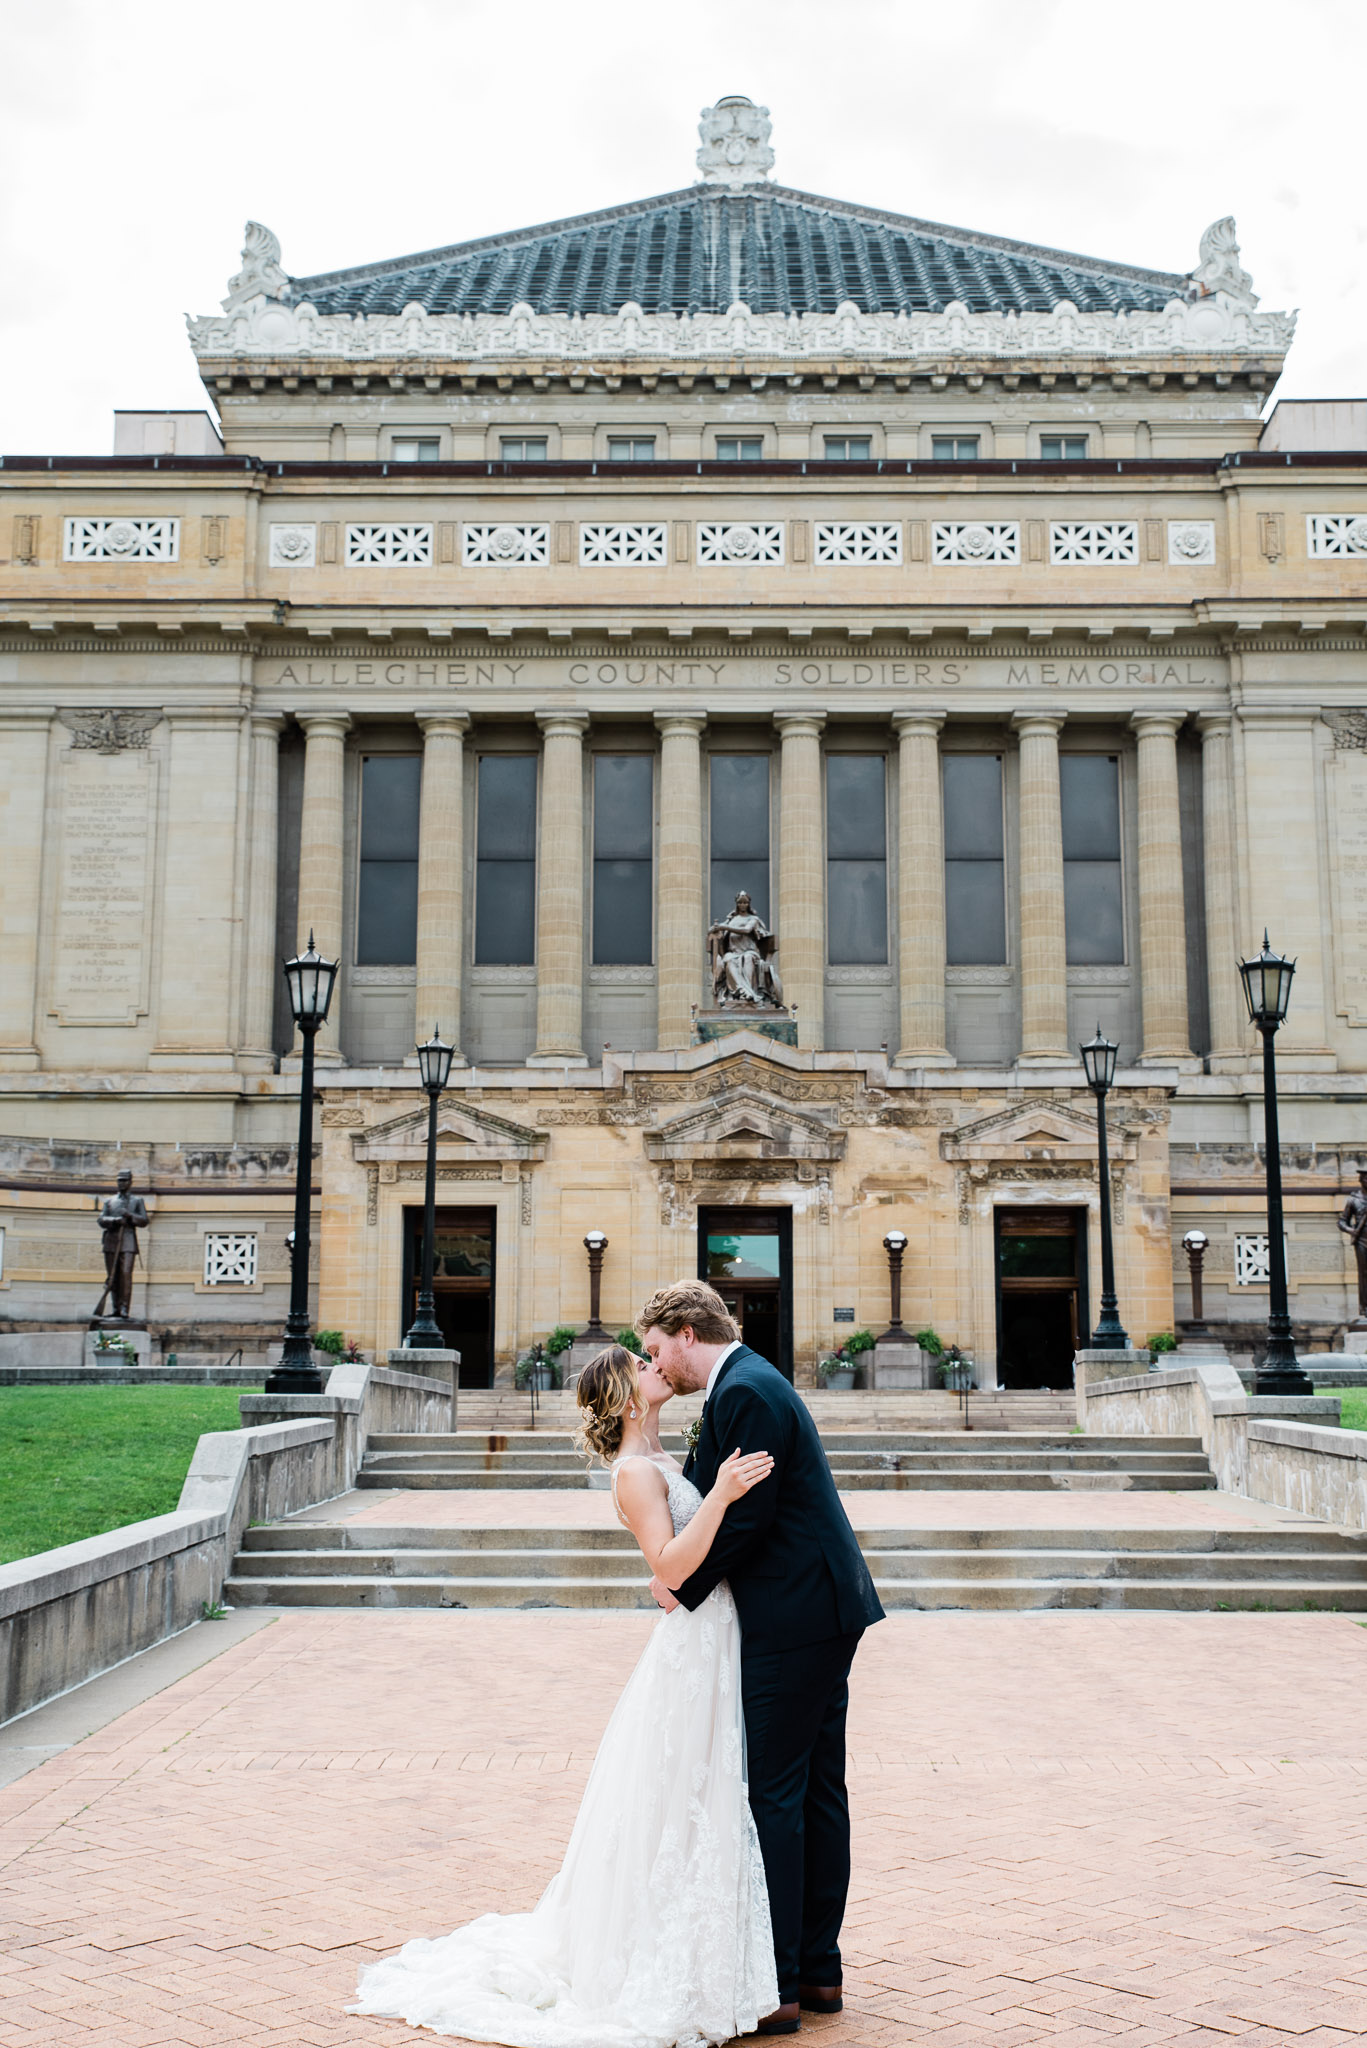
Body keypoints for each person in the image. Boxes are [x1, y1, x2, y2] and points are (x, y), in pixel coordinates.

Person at [352, 1342, 779, 2047]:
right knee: (682, 1794)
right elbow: (670, 1566)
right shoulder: (634, 1473)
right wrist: (725, 1496)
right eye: (641, 1364)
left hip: (717, 1632)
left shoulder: (668, 1459)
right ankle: (665, 1963)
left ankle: (714, 1953)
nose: (655, 1366)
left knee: (703, 1793)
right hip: (694, 1642)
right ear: (624, 1393)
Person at [639, 1279, 885, 2037]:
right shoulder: (746, 1385)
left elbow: (750, 1516)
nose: (655, 1365)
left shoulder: (744, 1389)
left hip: (793, 1611)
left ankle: (777, 1982)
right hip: (817, 1605)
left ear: (685, 1333)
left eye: (654, 1350)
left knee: (774, 1792)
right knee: (814, 1789)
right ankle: (817, 1971)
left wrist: (681, 1587)